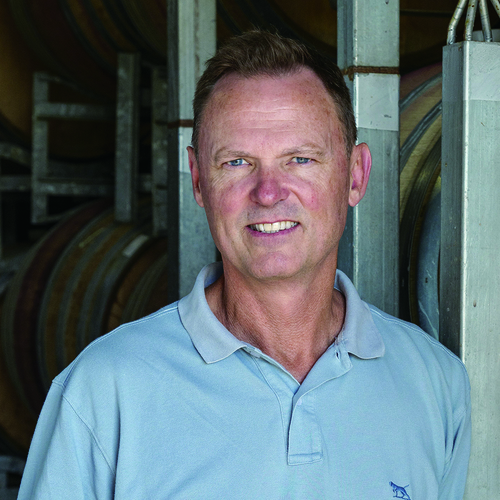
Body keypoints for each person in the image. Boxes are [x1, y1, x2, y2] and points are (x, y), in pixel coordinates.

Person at [18, 31, 471, 499]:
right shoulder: (102, 391)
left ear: (356, 175)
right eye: (236, 163)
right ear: (198, 181)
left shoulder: (435, 385)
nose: (269, 193)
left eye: (300, 159)